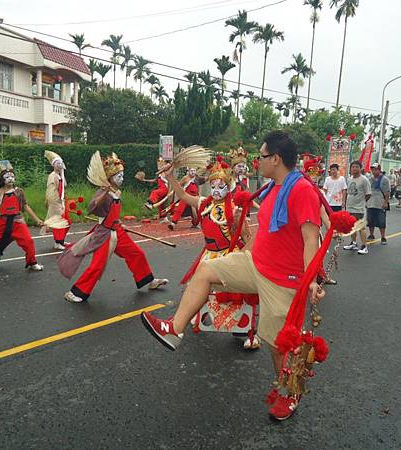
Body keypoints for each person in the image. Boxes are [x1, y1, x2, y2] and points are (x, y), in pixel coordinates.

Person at [141, 130, 325, 421]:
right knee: (205, 271)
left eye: (261, 156)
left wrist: (311, 279)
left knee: (278, 347)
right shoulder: (273, 188)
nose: (257, 161)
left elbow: (311, 239)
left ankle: (289, 394)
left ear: (276, 159)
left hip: (283, 280)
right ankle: (174, 330)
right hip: (255, 264)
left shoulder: (302, 191)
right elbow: (265, 232)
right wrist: (238, 258)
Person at [163, 157, 260, 350]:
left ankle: (247, 332)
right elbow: (182, 195)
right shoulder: (202, 203)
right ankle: (197, 317)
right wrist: (170, 176)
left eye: (221, 185)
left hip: (228, 255)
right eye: (213, 185)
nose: (216, 189)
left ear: (229, 187)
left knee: (237, 294)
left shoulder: (235, 211)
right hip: (208, 255)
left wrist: (242, 259)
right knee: (198, 288)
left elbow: (248, 238)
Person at [59, 152, 169, 303]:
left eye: (122, 175)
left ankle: (148, 281)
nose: (122, 179)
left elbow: (113, 215)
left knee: (137, 253)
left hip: (117, 230)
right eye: (119, 176)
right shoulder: (104, 192)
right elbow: (92, 207)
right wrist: (103, 193)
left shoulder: (117, 192)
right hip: (104, 233)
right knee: (98, 265)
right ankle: (76, 292)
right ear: (110, 177)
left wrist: (119, 223)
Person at [0, 161, 44, 271]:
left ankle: (32, 263)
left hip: (18, 221)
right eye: (7, 176)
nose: (11, 178)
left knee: (28, 241)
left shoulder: (19, 191)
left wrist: (37, 220)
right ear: (2, 179)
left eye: (12, 176)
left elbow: (26, 206)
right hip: (3, 222)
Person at [44, 150, 70, 251]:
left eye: (61, 163)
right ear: (53, 165)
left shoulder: (60, 175)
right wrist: (52, 202)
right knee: (59, 223)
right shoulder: (52, 176)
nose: (60, 165)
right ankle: (57, 242)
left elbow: (65, 186)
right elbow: (51, 190)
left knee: (67, 222)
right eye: (57, 163)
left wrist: (62, 173)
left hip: (62, 201)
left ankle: (61, 240)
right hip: (56, 202)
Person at [344, 160, 371, 254]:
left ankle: (364, 246)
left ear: (360, 168)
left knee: (361, 228)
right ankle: (353, 243)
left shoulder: (364, 180)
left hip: (359, 209)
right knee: (352, 227)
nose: (354, 168)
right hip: (349, 207)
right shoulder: (349, 179)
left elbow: (368, 194)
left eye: (356, 167)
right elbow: (348, 192)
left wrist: (362, 202)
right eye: (353, 167)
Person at [366, 163, 390, 244]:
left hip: (380, 203)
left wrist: (386, 202)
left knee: (381, 221)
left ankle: (383, 237)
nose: (373, 171)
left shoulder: (384, 179)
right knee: (370, 220)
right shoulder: (369, 179)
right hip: (370, 203)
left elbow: (387, 192)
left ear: (379, 170)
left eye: (375, 169)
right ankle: (371, 234)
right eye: (372, 169)